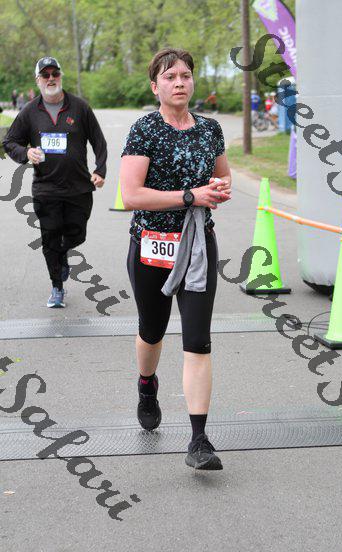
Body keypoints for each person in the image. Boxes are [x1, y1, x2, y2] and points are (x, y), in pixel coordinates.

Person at [120, 48, 231, 471]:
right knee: (152, 330)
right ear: (156, 86)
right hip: (151, 245)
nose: (180, 82)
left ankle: (199, 440)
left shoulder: (211, 129)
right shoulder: (145, 129)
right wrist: (189, 196)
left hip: (198, 244)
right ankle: (147, 384)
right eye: (170, 77)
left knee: (197, 340)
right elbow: (131, 195)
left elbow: (223, 175)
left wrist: (217, 190)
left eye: (185, 75)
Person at [3, 56, 107, 308]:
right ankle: (57, 286)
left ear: (60, 76)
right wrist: (26, 152)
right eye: (45, 75)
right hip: (46, 189)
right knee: (50, 239)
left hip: (79, 187)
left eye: (55, 74)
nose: (51, 79)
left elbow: (98, 141)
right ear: (37, 80)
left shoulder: (80, 107)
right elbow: (9, 142)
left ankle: (63, 252)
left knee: (76, 234)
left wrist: (100, 170)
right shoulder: (29, 111)